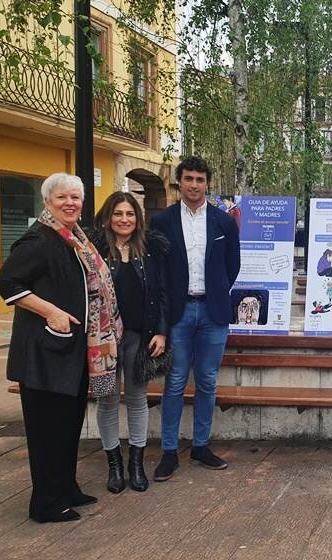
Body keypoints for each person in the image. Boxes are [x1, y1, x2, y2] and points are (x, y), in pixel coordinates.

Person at [0, 173, 123, 522]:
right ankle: (46, 505)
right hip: (43, 356)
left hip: (71, 354)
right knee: (47, 434)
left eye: (76, 198)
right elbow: (7, 282)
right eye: (62, 198)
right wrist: (50, 311)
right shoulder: (39, 239)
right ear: (47, 201)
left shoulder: (74, 239)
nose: (70, 203)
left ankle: (66, 489)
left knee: (68, 429)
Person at [150, 156, 241, 481]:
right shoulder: (162, 222)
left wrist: (216, 293)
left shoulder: (223, 222)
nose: (193, 185)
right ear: (179, 182)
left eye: (200, 180)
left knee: (207, 381)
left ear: (207, 183)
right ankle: (170, 452)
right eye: (188, 179)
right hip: (178, 313)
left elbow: (233, 266)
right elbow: (157, 271)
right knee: (174, 382)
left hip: (213, 312)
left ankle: (201, 446)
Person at [90, 192, 170, 494]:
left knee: (137, 399)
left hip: (140, 337)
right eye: (118, 214)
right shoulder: (95, 251)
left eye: (130, 214)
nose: (124, 219)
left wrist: (161, 332)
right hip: (104, 341)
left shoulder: (149, 250)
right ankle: (114, 466)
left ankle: (136, 464)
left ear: (138, 219)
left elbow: (161, 293)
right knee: (107, 400)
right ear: (108, 216)